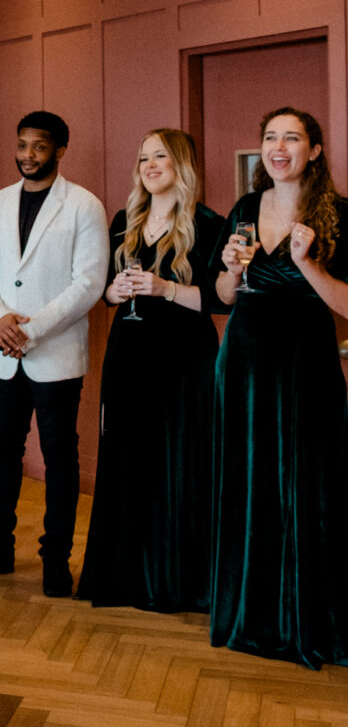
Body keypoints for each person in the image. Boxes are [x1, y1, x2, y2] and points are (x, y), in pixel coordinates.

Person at [212, 108, 348, 668]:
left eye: (292, 138)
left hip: (305, 365)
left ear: (314, 150)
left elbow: (345, 303)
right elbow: (223, 295)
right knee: (251, 483)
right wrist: (229, 267)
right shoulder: (244, 209)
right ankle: (253, 613)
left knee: (307, 486)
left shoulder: (337, 214)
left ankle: (307, 619)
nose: (279, 147)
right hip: (243, 362)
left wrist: (306, 263)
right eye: (270, 137)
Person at [0, 111, 107, 596]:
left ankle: (55, 560)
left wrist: (32, 330)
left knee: (60, 459)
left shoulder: (84, 206)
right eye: (22, 145)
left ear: (60, 150)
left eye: (39, 147)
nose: (27, 155)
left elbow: (88, 283)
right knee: (2, 453)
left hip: (56, 353)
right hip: (0, 351)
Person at [78, 130, 222, 615]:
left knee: (180, 462)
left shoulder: (207, 223)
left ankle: (178, 582)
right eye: (143, 157)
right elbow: (104, 292)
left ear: (181, 164)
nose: (149, 164)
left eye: (160, 156)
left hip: (185, 360)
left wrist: (164, 289)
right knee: (128, 456)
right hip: (131, 353)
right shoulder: (126, 220)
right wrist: (115, 293)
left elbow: (220, 301)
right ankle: (126, 575)